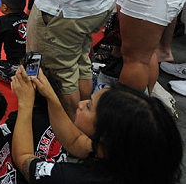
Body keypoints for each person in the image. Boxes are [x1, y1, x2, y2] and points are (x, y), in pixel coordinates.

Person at [11, 67, 182, 184]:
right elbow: (76, 142)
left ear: (106, 135)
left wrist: (25, 103)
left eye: (90, 106)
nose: (81, 103)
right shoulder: (136, 155)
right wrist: (50, 96)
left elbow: (24, 158)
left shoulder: (73, 178)